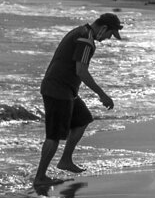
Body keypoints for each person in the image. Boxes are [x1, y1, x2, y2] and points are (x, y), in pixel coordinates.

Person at [33, 13, 122, 186]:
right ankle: (40, 177)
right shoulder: (86, 40)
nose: (106, 39)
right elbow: (81, 71)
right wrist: (102, 94)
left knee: (83, 119)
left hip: (66, 89)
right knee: (53, 136)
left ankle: (65, 160)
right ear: (103, 28)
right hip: (57, 90)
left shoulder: (81, 31)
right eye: (109, 34)